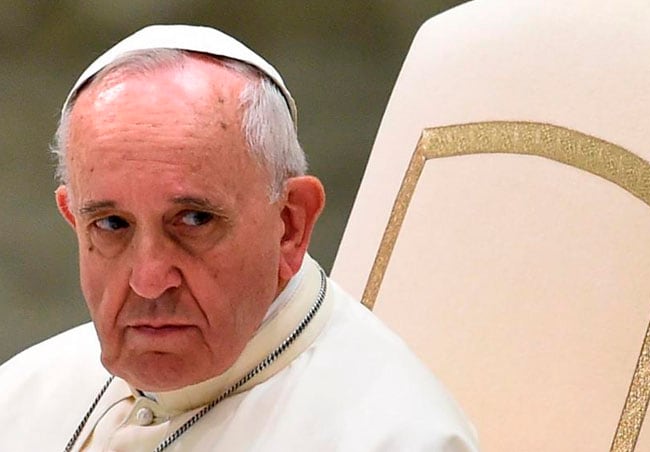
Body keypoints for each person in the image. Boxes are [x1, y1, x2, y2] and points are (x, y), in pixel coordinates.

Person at [0, 25, 478, 451]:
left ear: (291, 225)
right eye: (112, 225)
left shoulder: (395, 437)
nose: (148, 281)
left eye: (193, 220)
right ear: (73, 221)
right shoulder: (18, 399)